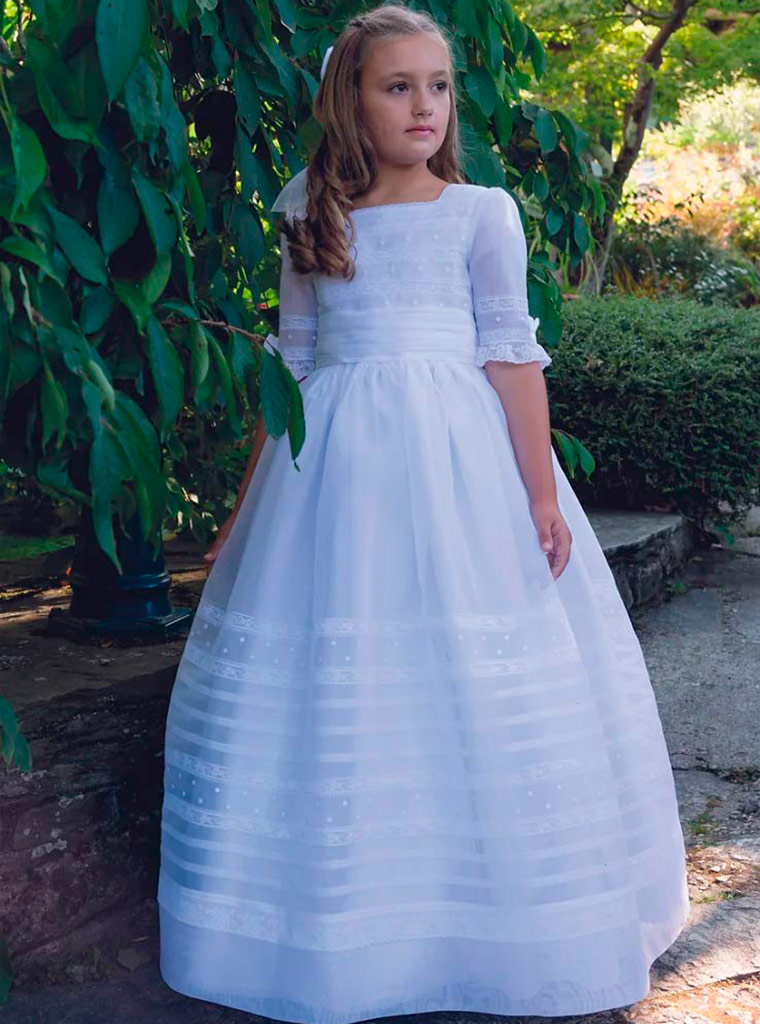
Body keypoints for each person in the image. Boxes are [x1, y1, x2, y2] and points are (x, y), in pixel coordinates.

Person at [157, 4, 690, 1021]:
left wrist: (540, 493)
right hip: (331, 477)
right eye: (397, 86)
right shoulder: (309, 206)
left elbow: (509, 353)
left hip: (460, 466)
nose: (424, 106)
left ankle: (492, 918)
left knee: (471, 665)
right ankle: (344, 930)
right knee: (341, 670)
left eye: (438, 86)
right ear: (349, 100)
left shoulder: (480, 212)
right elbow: (292, 364)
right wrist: (241, 508)